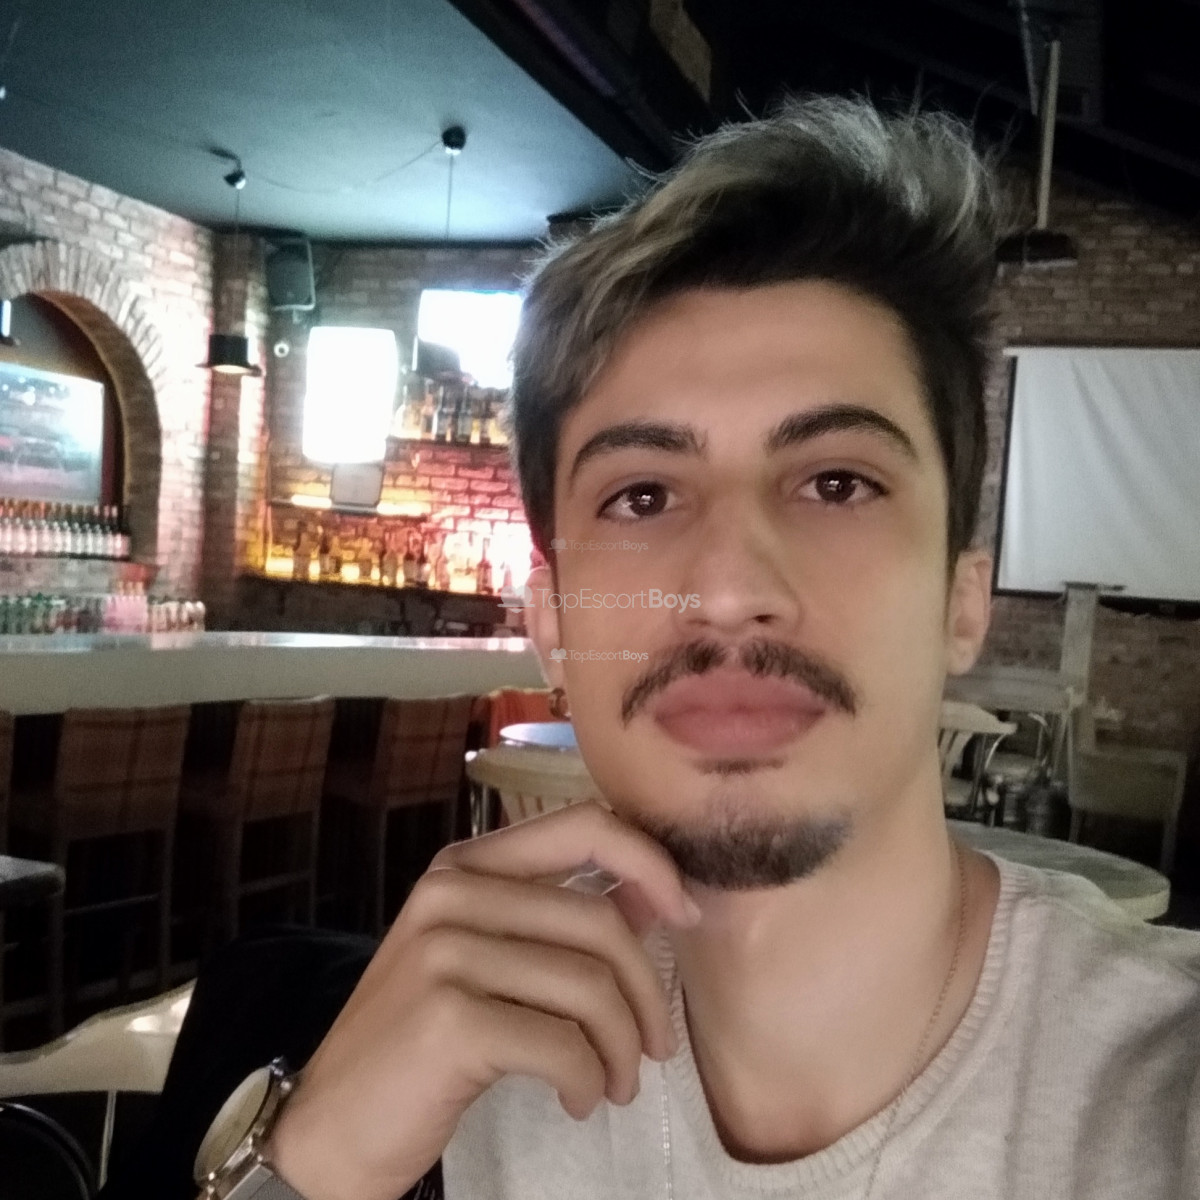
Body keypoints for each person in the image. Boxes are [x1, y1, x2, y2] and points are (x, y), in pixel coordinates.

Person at [114, 95, 1200, 1200]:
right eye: (642, 495)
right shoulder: (468, 1063)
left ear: (963, 600)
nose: (726, 590)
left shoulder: (1158, 1089)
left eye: (837, 483)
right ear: (550, 622)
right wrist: (314, 1163)